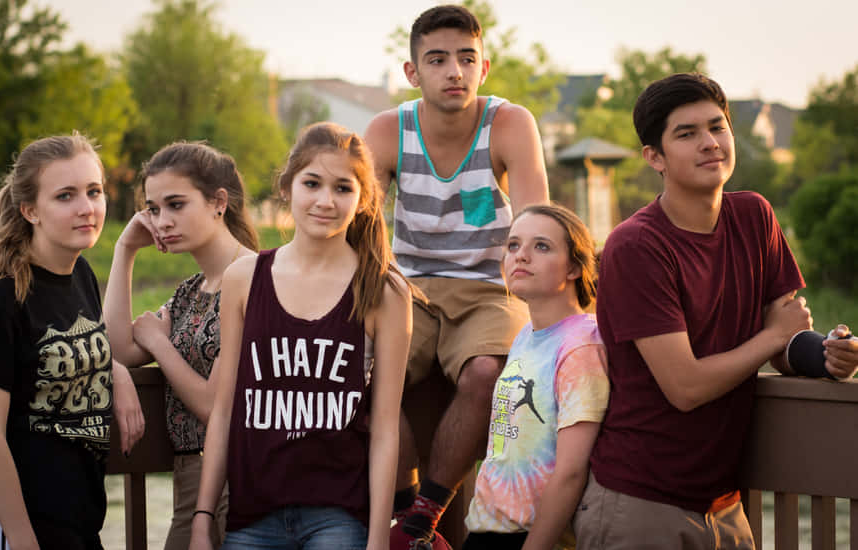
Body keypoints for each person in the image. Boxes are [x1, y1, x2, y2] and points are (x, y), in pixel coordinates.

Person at [574, 73, 858, 549]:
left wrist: (826, 355)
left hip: (724, 506)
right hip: (641, 504)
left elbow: (784, 339)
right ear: (654, 158)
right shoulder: (637, 245)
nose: (710, 143)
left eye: (717, 127)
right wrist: (773, 337)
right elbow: (684, 386)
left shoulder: (754, 216)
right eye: (686, 134)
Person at [363, 5, 549, 545]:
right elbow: (361, 227)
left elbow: (536, 220)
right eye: (438, 60)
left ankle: (426, 513)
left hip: (490, 287)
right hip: (409, 287)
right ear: (412, 72)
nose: (454, 72)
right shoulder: (387, 129)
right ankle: (402, 512)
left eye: (467, 59)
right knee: (366, 374)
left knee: (489, 373)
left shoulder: (509, 122)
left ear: (483, 68)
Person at [190, 122, 412, 550]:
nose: (325, 201)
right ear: (287, 187)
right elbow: (224, 411)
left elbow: (385, 429)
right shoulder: (244, 278)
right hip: (252, 515)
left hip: (339, 516)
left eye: (343, 188)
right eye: (312, 183)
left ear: (364, 200)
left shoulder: (384, 290)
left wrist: (377, 538)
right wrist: (203, 517)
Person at [0, 133, 145, 550]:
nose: (87, 208)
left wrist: (117, 371)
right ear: (30, 210)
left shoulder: (81, 277)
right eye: (65, 196)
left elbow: (73, 344)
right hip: (16, 527)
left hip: (79, 519)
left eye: (94, 192)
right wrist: (23, 539)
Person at [104, 142, 259, 549]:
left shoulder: (253, 279)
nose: (162, 220)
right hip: (189, 478)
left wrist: (160, 343)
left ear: (218, 202)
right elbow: (121, 348)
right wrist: (126, 250)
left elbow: (213, 405)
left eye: (176, 204)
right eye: (154, 209)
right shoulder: (191, 291)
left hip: (236, 481)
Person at [462, 204, 609, 550]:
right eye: (513, 245)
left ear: (574, 266)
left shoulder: (582, 346)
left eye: (541, 246)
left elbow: (572, 471)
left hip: (532, 536)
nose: (521, 256)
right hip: (486, 529)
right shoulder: (526, 335)